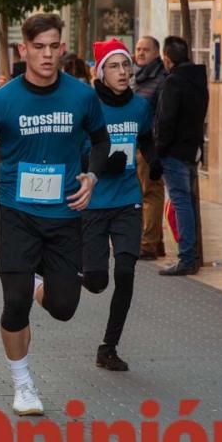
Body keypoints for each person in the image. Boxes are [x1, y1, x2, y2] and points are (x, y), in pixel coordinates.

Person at [0, 13, 109, 416]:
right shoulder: (2, 100)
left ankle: (41, 282)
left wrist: (92, 175)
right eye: (38, 47)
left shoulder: (81, 95)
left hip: (64, 214)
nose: (47, 55)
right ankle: (23, 384)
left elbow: (101, 141)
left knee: (64, 307)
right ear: (24, 50)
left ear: (62, 48)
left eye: (54, 46)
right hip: (17, 213)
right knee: (15, 303)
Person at [80, 39, 158, 372]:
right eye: (114, 66)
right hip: (95, 201)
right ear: (101, 72)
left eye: (126, 65)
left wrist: (155, 161)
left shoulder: (140, 106)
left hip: (127, 199)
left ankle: (108, 347)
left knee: (125, 271)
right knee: (97, 280)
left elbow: (145, 137)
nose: (124, 72)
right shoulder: (88, 106)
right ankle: (69, 265)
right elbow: (76, 150)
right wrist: (97, 164)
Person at [155, 36, 209, 277]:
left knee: (181, 202)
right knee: (186, 201)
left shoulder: (173, 82)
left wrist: (159, 151)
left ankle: (187, 256)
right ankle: (191, 254)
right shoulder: (199, 79)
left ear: (167, 60)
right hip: (191, 149)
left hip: (174, 151)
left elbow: (166, 120)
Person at [132, 36, 168, 260]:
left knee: (150, 193)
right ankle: (156, 242)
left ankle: (148, 244)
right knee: (145, 192)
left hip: (149, 144)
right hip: (137, 141)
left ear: (157, 53)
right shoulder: (138, 76)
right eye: (138, 49)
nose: (141, 53)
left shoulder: (159, 78)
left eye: (146, 50)